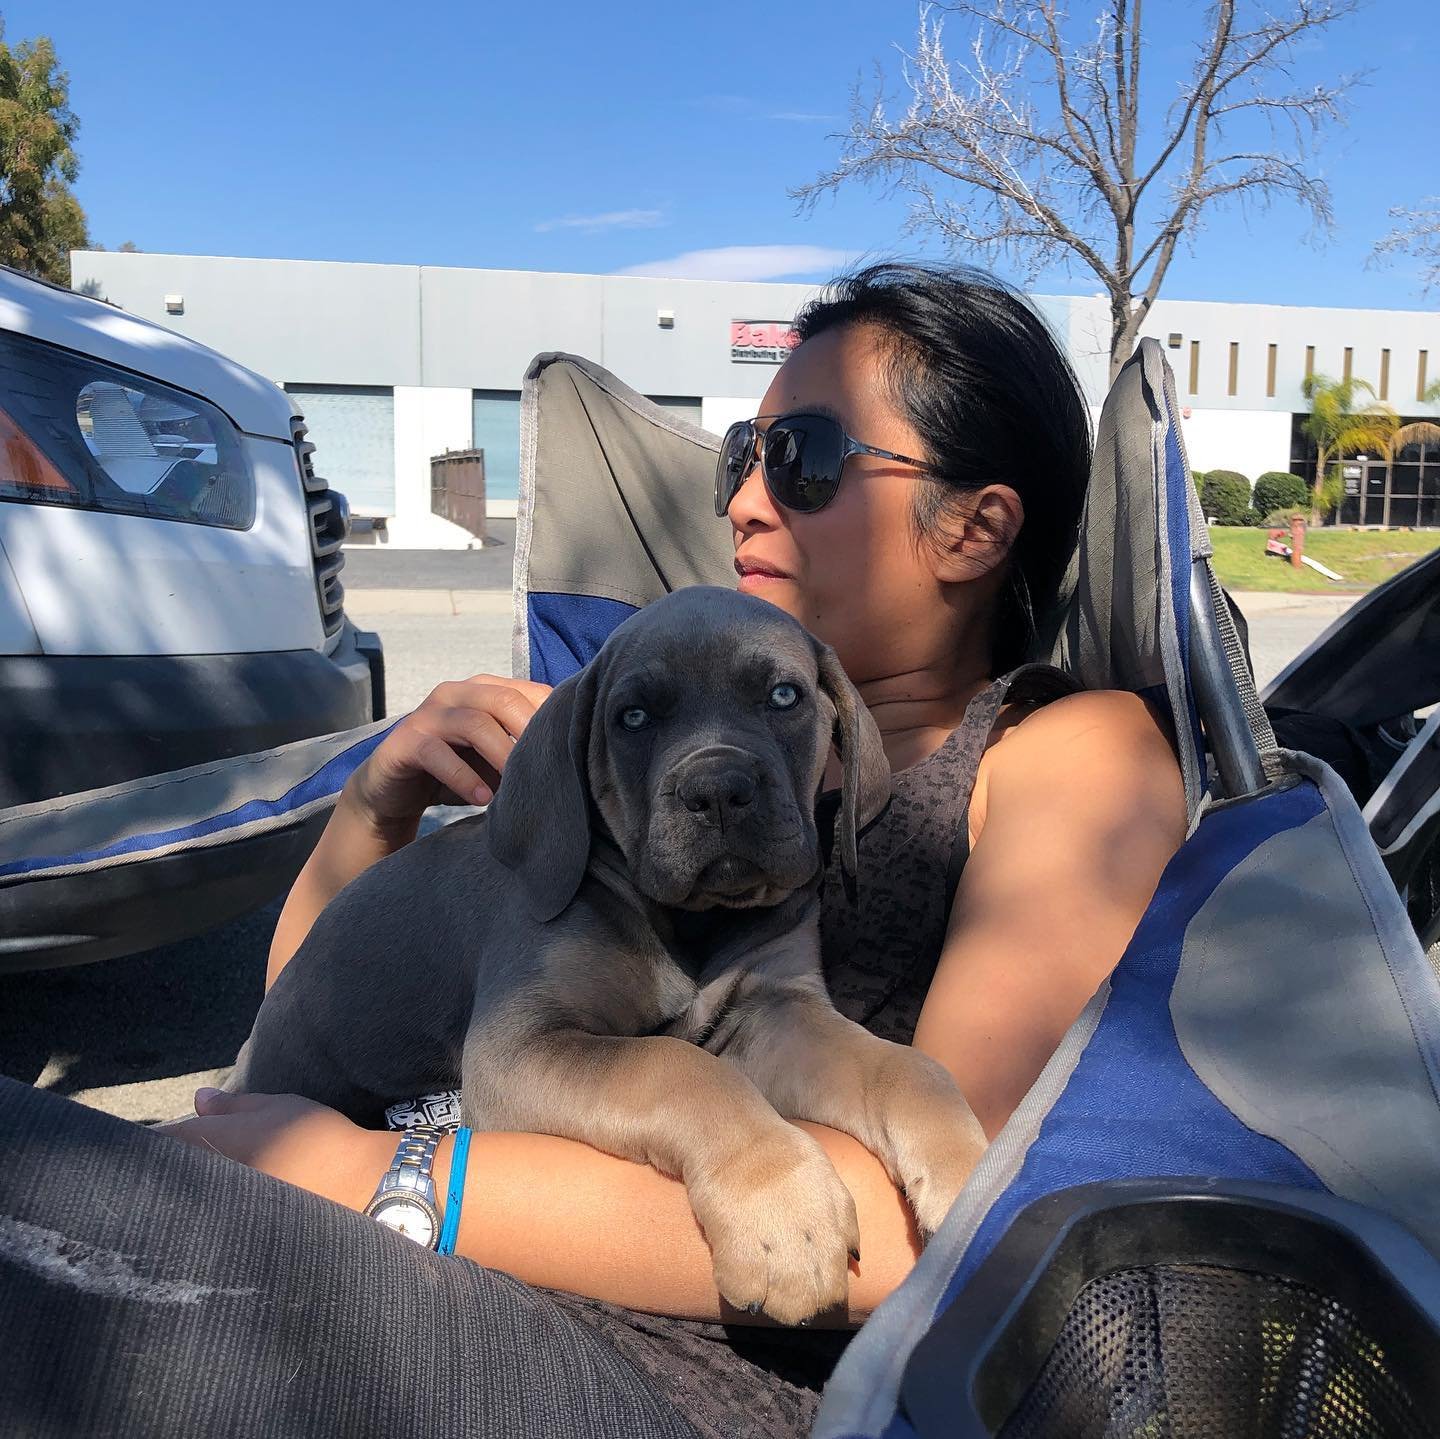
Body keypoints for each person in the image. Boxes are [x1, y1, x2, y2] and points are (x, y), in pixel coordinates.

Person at [0, 263, 1185, 1439]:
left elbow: (957, 1219)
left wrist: (382, 1177)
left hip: (651, 1366)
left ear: (974, 525)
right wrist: (376, 808)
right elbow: (302, 1020)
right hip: (412, 1239)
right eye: (741, 457)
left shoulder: (1073, 755)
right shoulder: (625, 768)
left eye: (804, 459)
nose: (743, 502)